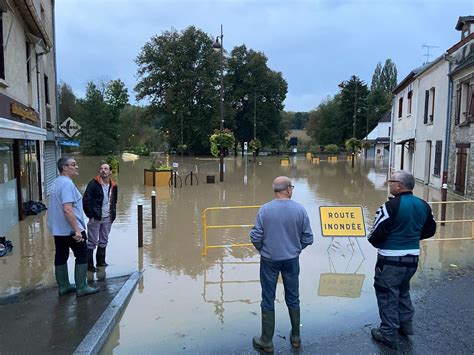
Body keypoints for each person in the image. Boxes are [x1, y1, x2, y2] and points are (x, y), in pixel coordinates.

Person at [368, 170, 436, 349]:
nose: (389, 183)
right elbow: (430, 230)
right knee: (403, 290)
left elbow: (374, 235)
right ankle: (406, 326)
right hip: (412, 258)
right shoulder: (424, 205)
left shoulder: (389, 207)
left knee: (387, 293)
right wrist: (410, 237)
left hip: (390, 260)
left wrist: (391, 241)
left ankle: (388, 333)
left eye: (392, 181)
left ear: (400, 185)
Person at [250, 176, 314, 353]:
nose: (292, 190)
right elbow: (308, 238)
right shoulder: (300, 210)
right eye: (291, 187)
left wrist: (263, 249)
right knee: (293, 297)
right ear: (287, 189)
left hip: (269, 260)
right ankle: (295, 337)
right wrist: (295, 249)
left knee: (268, 298)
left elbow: (255, 236)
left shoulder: (265, 210)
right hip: (291, 260)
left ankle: (266, 341)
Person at [47, 157, 99, 297]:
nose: (76, 167)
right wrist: (77, 230)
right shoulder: (66, 184)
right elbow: (67, 209)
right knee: (82, 254)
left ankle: (64, 286)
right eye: (73, 165)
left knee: (61, 255)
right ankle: (82, 287)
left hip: (59, 230)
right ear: (64, 167)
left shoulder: (56, 183)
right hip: (71, 230)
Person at [83, 162, 118, 272]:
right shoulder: (93, 184)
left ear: (110, 172)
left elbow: (114, 201)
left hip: (108, 217)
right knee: (92, 242)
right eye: (102, 168)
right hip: (96, 217)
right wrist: (90, 215)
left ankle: (101, 262)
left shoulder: (114, 185)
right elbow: (86, 200)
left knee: (104, 240)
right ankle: (89, 266)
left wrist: (113, 215)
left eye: (106, 169)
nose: (103, 170)